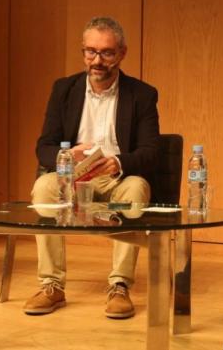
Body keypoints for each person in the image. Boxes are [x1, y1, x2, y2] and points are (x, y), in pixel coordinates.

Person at [26, 16, 160, 319]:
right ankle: (51, 285)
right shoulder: (64, 89)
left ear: (122, 53)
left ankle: (119, 286)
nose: (97, 61)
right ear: (83, 52)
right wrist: (68, 156)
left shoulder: (142, 95)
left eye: (106, 53)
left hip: (115, 180)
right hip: (71, 181)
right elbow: (43, 146)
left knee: (136, 190)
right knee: (43, 189)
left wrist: (118, 161)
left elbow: (151, 152)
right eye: (90, 52)